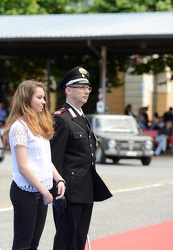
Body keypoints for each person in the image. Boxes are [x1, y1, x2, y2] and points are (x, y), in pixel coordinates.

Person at [50, 66, 112, 250]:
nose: (86, 91)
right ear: (68, 90)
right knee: (65, 241)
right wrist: (57, 193)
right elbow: (54, 159)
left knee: (78, 240)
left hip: (85, 190)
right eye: (81, 87)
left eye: (88, 87)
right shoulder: (62, 119)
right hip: (69, 191)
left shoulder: (82, 117)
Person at [2, 80, 66, 250]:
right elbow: (23, 167)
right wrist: (45, 192)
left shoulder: (39, 124)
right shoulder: (19, 127)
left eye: (44, 97)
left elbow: (45, 159)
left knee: (33, 245)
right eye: (39, 97)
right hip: (26, 192)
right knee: (22, 245)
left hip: (41, 191)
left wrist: (59, 180)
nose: (44, 102)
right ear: (26, 99)